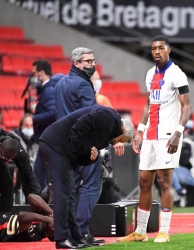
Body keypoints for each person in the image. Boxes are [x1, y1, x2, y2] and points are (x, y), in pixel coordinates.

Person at [117, 35, 191, 243]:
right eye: (153, 49)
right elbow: (149, 104)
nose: (156, 52)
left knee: (164, 181)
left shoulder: (177, 74)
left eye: (160, 48)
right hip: (150, 135)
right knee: (143, 181)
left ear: (169, 50)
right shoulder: (150, 74)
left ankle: (164, 232)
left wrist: (178, 132)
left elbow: (187, 106)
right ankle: (140, 232)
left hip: (168, 135)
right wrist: (140, 130)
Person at [38, 105, 133, 249]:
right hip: (54, 144)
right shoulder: (108, 115)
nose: (118, 143)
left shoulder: (106, 135)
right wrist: (76, 150)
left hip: (62, 149)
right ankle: (62, 238)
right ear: (124, 130)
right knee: (64, 192)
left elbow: (84, 155)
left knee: (69, 192)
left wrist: (91, 158)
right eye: (123, 139)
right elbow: (82, 124)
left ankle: (76, 236)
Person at [55, 47, 124, 246]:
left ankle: (72, 233)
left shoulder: (60, 83)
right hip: (84, 145)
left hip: (66, 144)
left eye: (93, 61)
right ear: (76, 63)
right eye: (87, 61)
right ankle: (82, 231)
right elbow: (91, 117)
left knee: (72, 188)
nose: (92, 65)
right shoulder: (84, 85)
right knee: (92, 186)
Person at [31, 60, 64, 191]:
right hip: (48, 138)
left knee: (40, 174)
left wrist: (34, 118)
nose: (32, 77)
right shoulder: (46, 90)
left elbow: (53, 113)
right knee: (42, 174)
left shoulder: (48, 90)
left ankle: (41, 207)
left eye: (34, 73)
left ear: (42, 73)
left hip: (48, 138)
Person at [0, 128, 41, 212]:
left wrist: (37, 195)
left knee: (8, 183)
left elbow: (28, 174)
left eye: (9, 160)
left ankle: (6, 217)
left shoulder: (20, 152)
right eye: (5, 158)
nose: (7, 161)